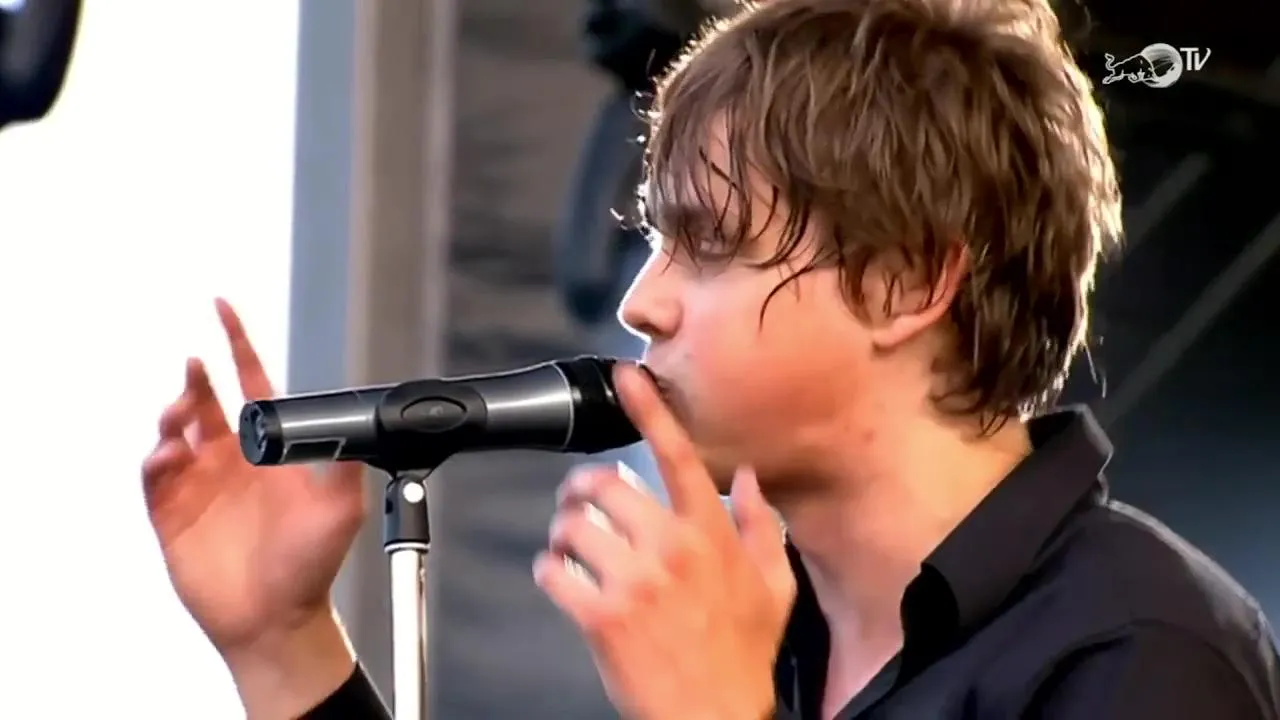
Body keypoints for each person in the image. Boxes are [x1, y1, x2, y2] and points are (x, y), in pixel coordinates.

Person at [143, 1, 1280, 719]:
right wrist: (284, 646)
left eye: (708, 242)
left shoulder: (1138, 648)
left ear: (904, 285)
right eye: (652, 242)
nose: (640, 301)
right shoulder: (762, 626)